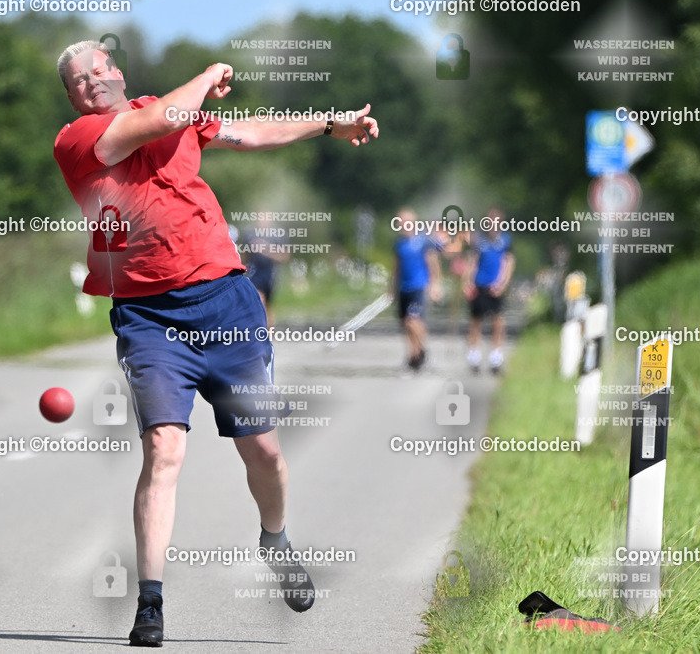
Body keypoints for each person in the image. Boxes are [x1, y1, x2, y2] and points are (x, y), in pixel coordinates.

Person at [53, 40, 378, 647]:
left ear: (117, 72)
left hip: (226, 304)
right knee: (164, 451)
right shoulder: (78, 140)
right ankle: (150, 604)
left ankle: (275, 538)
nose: (92, 82)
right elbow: (163, 119)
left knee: (266, 455)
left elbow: (248, 134)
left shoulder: (173, 108)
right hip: (150, 317)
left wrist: (330, 122)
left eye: (99, 70)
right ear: (71, 96)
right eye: (79, 80)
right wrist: (205, 75)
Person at [462, 207, 515, 374]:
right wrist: (467, 281)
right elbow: (473, 261)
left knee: (497, 320)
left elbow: (508, 262)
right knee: (475, 320)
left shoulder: (505, 240)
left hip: (495, 286)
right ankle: (474, 354)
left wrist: (503, 283)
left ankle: (496, 354)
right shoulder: (479, 239)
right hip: (480, 284)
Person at [391, 208, 442, 371]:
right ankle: (414, 355)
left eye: (405, 222)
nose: (402, 225)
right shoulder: (399, 244)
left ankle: (419, 352)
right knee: (406, 324)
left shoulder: (423, 242)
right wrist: (391, 288)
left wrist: (435, 285)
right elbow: (397, 267)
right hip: (403, 288)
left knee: (413, 321)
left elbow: (433, 265)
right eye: (400, 222)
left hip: (418, 287)